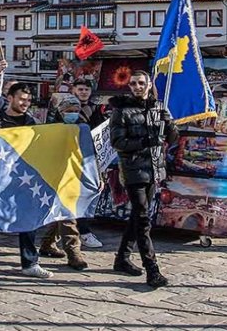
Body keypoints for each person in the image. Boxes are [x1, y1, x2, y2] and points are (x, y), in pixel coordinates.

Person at [0, 83, 54, 279]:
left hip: (25, 182)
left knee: (28, 220)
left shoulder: (31, 122)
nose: (25, 103)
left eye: (28, 100)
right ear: (9, 98)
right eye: (21, 99)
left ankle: (29, 263)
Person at [108, 70, 178, 288]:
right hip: (133, 169)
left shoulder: (158, 108)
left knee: (138, 217)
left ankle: (122, 258)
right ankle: (152, 269)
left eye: (140, 83)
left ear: (149, 85)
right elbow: (117, 142)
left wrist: (170, 125)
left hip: (154, 168)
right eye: (132, 84)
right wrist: (145, 141)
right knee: (143, 219)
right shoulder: (122, 110)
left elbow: (171, 139)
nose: (136, 87)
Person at [45, 79, 106, 248]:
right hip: (63, 162)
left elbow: (98, 136)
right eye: (80, 89)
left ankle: (51, 241)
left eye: (86, 89)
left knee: (80, 199)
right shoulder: (59, 110)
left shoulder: (95, 110)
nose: (84, 92)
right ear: (73, 90)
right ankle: (77, 241)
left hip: (84, 160)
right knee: (67, 202)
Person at [39, 94, 88, 270]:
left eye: (76, 111)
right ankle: (74, 251)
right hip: (56, 175)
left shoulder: (83, 127)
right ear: (61, 111)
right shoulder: (52, 128)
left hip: (75, 174)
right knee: (68, 213)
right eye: (69, 111)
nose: (73, 114)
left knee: (62, 212)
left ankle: (47, 243)